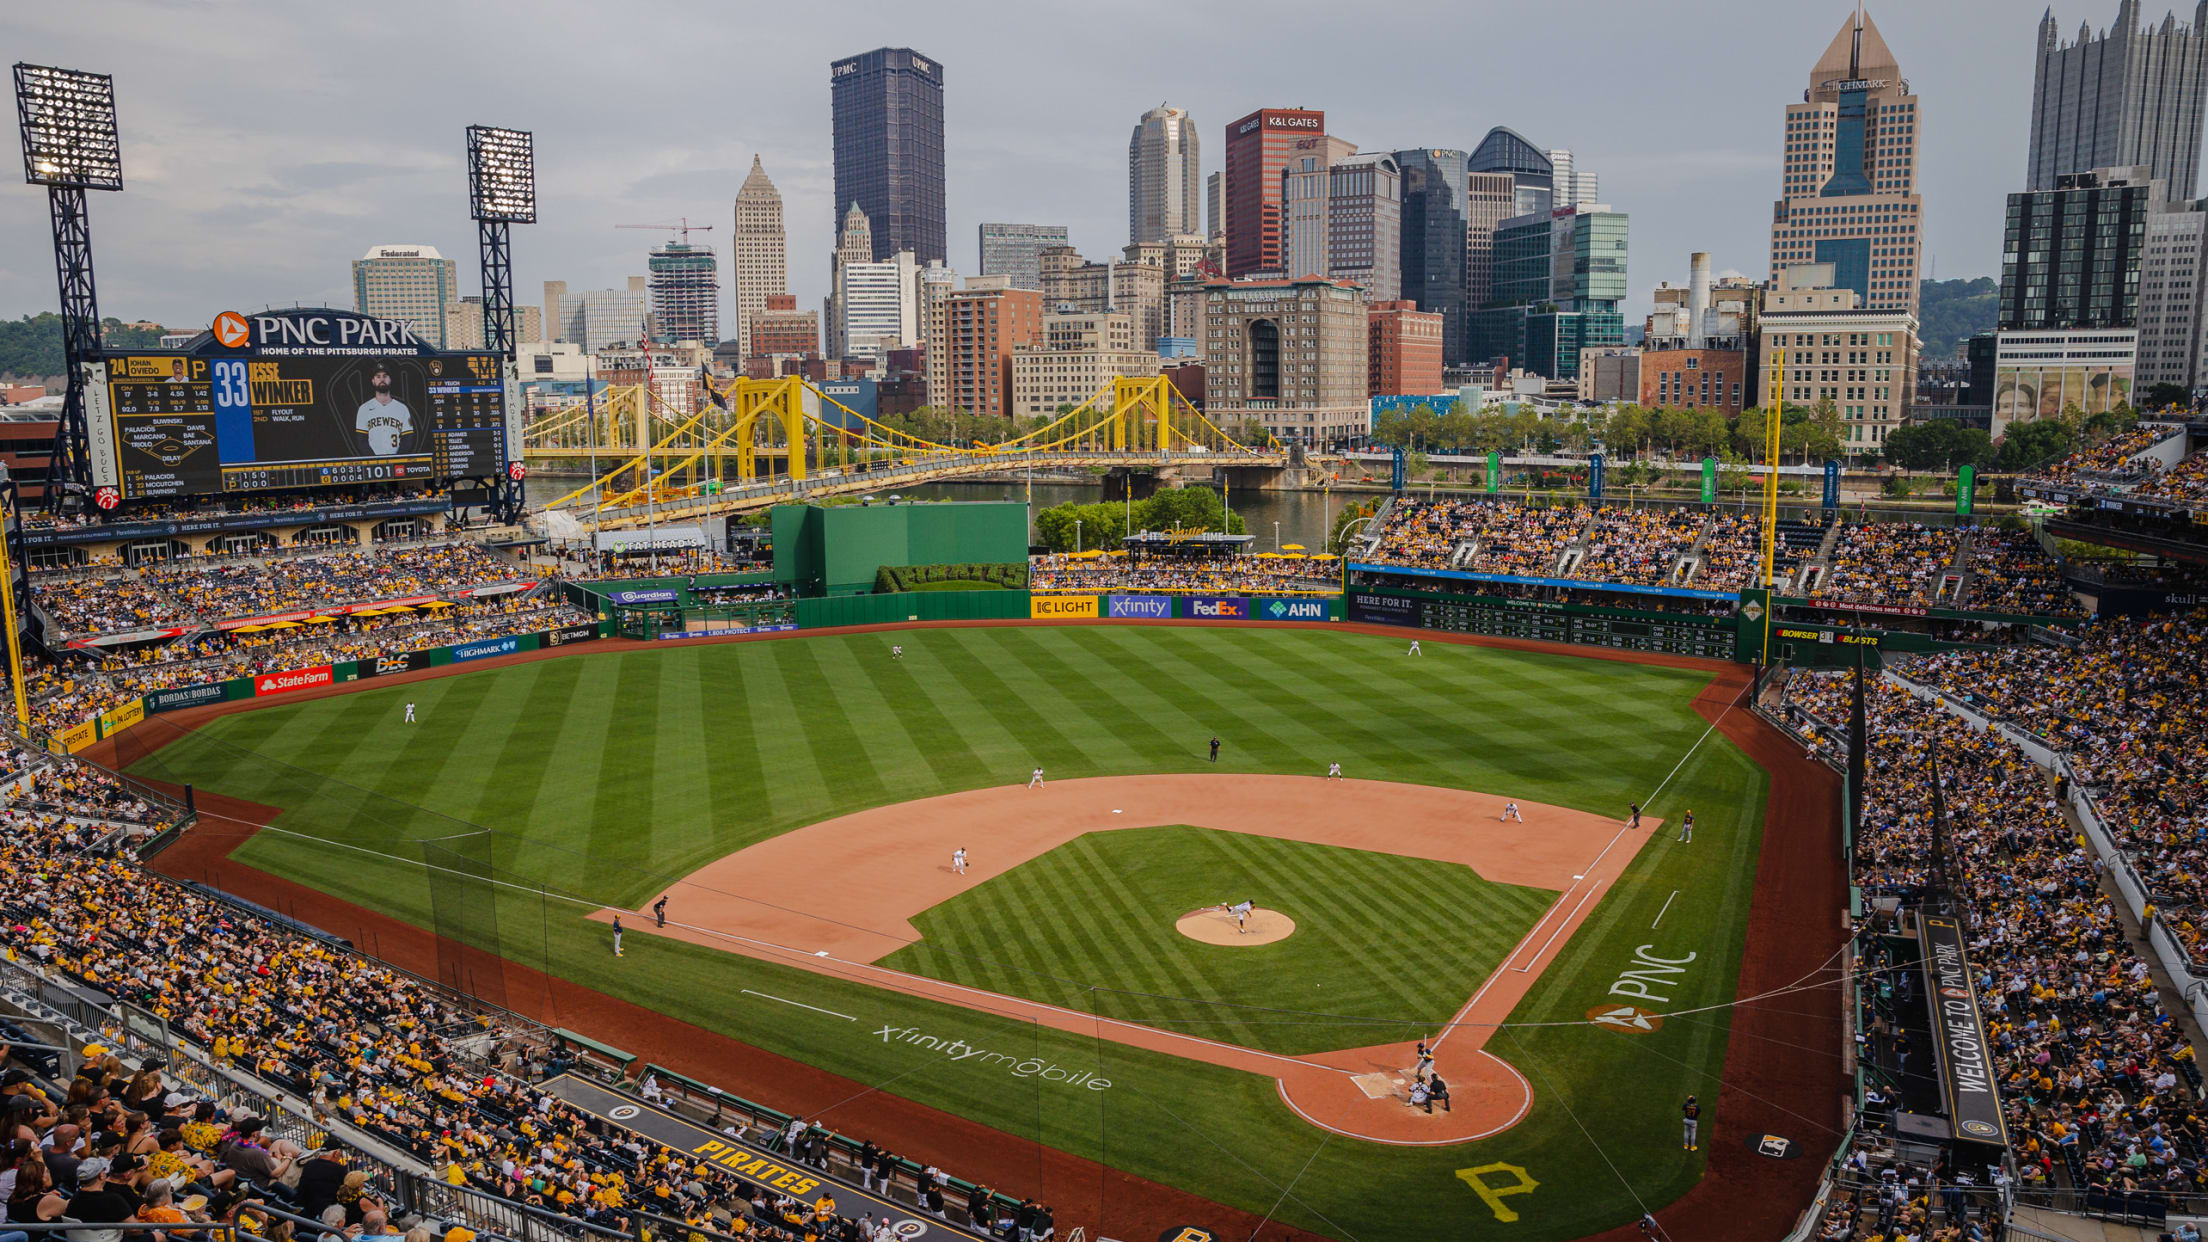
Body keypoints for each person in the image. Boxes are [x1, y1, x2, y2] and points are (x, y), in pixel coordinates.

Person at [354, 361, 414, 456]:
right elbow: (361, 441)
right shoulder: (364, 409)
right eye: (378, 376)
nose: (382, 379)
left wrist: (397, 460)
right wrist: (375, 461)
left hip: (397, 460)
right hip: (373, 461)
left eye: (385, 376)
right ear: (373, 381)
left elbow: (408, 439)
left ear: (390, 379)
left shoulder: (402, 409)